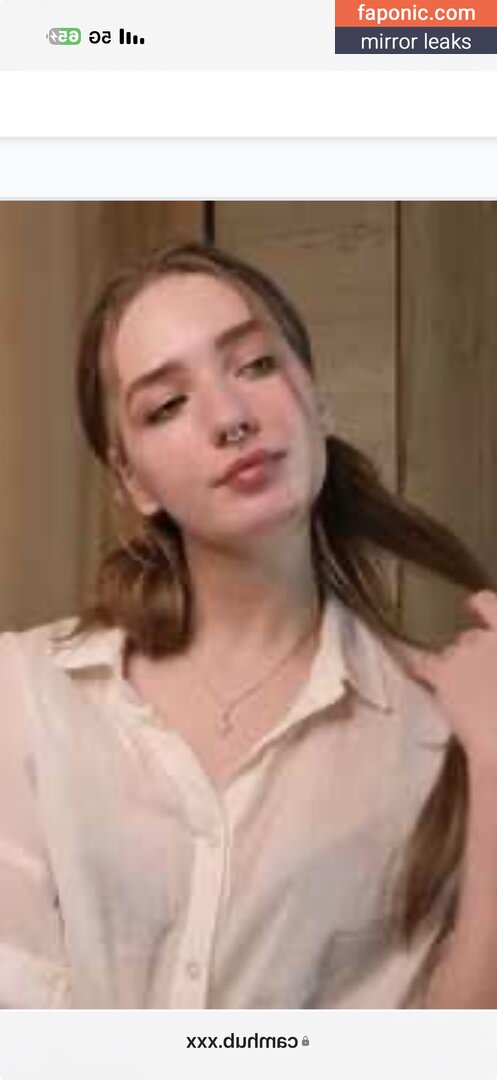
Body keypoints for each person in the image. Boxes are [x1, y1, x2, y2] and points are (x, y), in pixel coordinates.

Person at [0, 242, 495, 1009]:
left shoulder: (437, 731)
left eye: (256, 365)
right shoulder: (27, 695)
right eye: (166, 406)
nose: (230, 418)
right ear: (132, 479)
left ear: (317, 402)